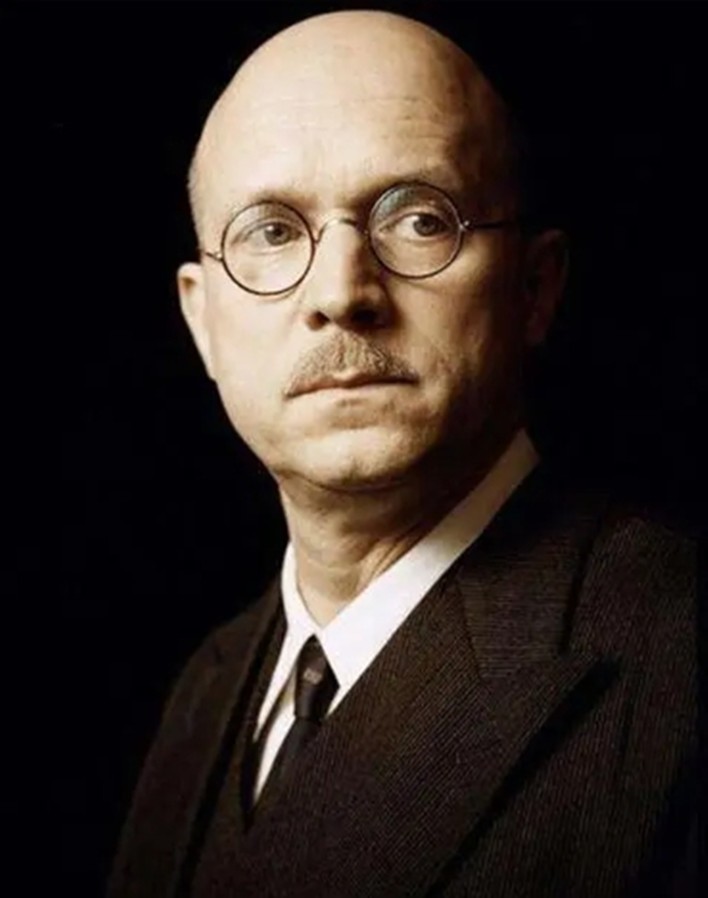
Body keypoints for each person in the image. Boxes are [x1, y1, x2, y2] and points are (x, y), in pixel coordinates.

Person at [108, 10, 697, 898]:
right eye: (272, 232)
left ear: (534, 289)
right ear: (202, 319)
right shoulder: (206, 691)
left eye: (419, 219)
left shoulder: (678, 662)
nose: (342, 293)